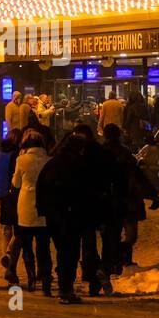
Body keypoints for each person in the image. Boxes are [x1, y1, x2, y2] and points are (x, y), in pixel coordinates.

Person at [34, 132, 91, 304]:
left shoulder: (53, 163)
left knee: (62, 250)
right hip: (71, 214)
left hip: (54, 214)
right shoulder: (78, 164)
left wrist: (43, 209)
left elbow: (41, 186)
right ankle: (66, 288)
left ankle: (63, 286)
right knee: (70, 251)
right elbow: (83, 191)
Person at [101, 123, 159, 274]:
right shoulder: (124, 154)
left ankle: (115, 259)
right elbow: (138, 176)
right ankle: (120, 258)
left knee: (112, 235)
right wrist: (152, 194)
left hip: (111, 200)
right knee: (130, 235)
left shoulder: (100, 152)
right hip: (128, 200)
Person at [71, 123, 113, 295]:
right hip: (101, 200)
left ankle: (92, 279)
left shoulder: (78, 155)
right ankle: (102, 270)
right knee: (107, 238)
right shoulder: (101, 151)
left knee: (88, 242)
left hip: (84, 202)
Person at [8, 130, 50, 293]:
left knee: (26, 244)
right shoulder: (47, 160)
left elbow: (16, 183)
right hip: (44, 205)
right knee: (43, 245)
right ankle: (45, 279)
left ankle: (31, 276)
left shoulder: (21, 160)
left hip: (25, 205)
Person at [0, 132, 20, 271]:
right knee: (19, 230)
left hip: (0, 195)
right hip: (13, 196)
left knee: (6, 230)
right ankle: (8, 253)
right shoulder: (17, 156)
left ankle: (5, 256)